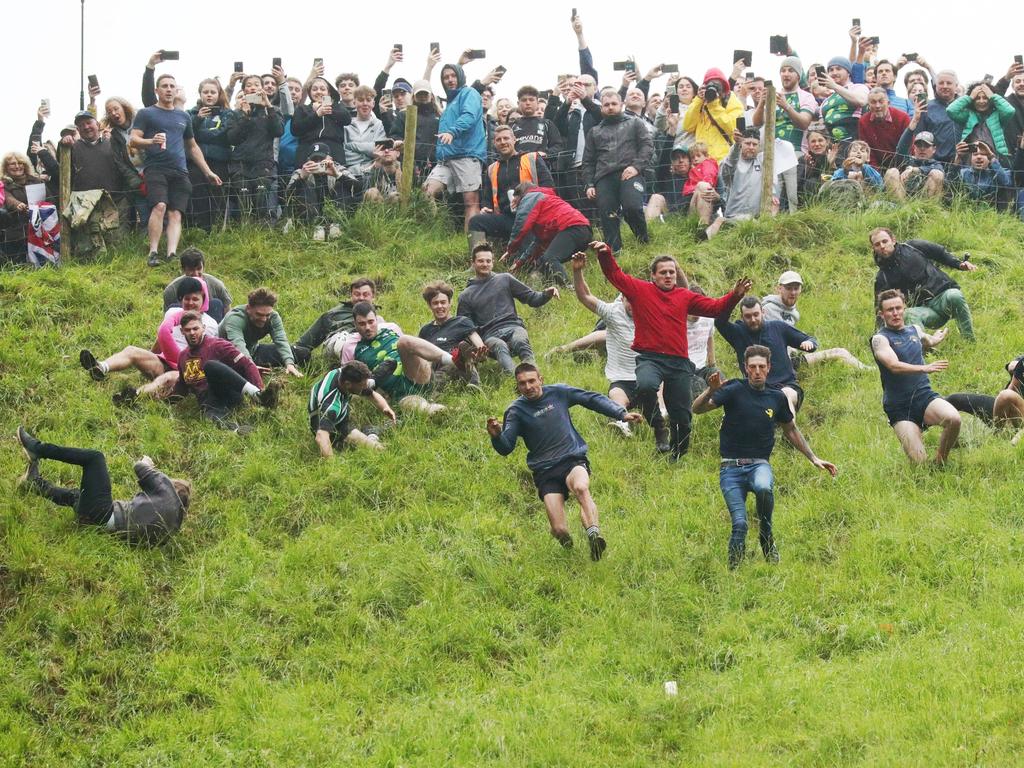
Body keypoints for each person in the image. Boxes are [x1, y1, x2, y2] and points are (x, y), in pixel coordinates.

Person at [594, 241, 750, 459]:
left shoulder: (684, 297)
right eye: (663, 272)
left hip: (679, 363)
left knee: (683, 418)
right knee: (647, 386)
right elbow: (615, 275)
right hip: (650, 359)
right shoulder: (640, 290)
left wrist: (735, 295)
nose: (668, 276)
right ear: (653, 276)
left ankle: (678, 454)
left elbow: (715, 308)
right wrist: (605, 254)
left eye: (672, 272)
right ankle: (659, 427)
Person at [692, 346, 837, 569]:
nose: (757, 371)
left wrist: (813, 457)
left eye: (761, 367)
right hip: (730, 468)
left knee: (763, 487)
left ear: (769, 368)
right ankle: (735, 573)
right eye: (752, 367)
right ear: (745, 368)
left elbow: (791, 430)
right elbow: (697, 409)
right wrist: (710, 391)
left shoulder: (776, 398)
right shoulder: (733, 389)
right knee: (739, 524)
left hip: (759, 464)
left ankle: (766, 532)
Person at [487, 363, 642, 560]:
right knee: (559, 529)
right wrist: (496, 436)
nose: (528, 386)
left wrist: (621, 413)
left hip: (571, 458)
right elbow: (506, 447)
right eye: (522, 383)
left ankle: (594, 535)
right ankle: (567, 546)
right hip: (545, 471)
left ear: (540, 379)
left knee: (581, 487)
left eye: (532, 381)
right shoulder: (516, 411)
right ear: (517, 386)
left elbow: (590, 399)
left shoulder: (559, 392)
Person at [17, 427, 191, 545]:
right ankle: (34, 483)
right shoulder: (171, 528)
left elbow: (140, 467)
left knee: (95, 458)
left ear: (173, 487)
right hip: (99, 527)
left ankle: (36, 448)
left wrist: (148, 463)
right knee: (78, 496)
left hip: (102, 514)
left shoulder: (167, 492)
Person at [568, 251, 670, 445]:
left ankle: (663, 413)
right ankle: (622, 421)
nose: (632, 305)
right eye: (628, 300)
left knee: (659, 382)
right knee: (616, 395)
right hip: (622, 378)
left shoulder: (655, 311)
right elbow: (585, 296)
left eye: (636, 300)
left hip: (648, 375)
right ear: (622, 298)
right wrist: (577, 271)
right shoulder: (613, 313)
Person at [130, 73, 223, 266]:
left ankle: (172, 254)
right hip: (156, 167)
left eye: (172, 86)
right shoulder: (146, 113)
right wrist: (151, 141)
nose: (169, 89)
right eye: (164, 86)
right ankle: (153, 252)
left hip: (180, 170)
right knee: (160, 206)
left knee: (175, 213)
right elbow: (133, 139)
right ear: (157, 90)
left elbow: (192, 146)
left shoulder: (184, 116)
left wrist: (208, 172)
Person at [870, 289, 961, 465]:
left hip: (924, 397)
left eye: (898, 308)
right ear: (882, 314)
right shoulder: (880, 339)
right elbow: (893, 366)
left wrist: (936, 339)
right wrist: (924, 368)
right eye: (890, 310)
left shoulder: (915, 330)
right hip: (900, 408)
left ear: (904, 308)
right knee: (920, 463)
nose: (895, 313)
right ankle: (926, 461)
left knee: (954, 419)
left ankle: (940, 462)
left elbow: (927, 340)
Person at [80, 276, 218, 385]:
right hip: (162, 363)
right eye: (187, 299)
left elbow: (207, 355)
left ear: (203, 300)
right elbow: (162, 339)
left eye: (195, 299)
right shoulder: (172, 313)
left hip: (183, 370)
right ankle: (100, 367)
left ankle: (135, 395)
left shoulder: (210, 324)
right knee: (131, 350)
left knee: (167, 379)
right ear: (181, 299)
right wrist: (148, 356)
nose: (191, 303)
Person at [457, 243, 559, 374]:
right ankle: (516, 379)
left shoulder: (505, 279)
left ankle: (533, 376)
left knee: (520, 340)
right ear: (473, 263)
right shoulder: (466, 295)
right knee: (500, 346)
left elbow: (531, 298)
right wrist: (477, 347)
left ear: (493, 262)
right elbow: (465, 327)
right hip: (490, 335)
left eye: (488, 261)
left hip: (513, 326)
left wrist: (546, 294)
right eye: (480, 261)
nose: (485, 264)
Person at [715, 295, 817, 420]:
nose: (753, 319)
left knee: (784, 396)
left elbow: (809, 340)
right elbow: (719, 321)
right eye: (748, 316)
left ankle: (789, 433)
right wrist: (736, 296)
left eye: (756, 314)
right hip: (755, 390)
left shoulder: (778, 327)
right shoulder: (737, 333)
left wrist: (810, 344)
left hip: (786, 386)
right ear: (742, 317)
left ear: (763, 312)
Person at [869, 228, 977, 341]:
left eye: (885, 241)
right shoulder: (882, 278)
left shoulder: (913, 247)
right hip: (924, 311)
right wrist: (880, 338)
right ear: (874, 248)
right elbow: (880, 310)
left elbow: (940, 253)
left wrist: (959, 264)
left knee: (954, 295)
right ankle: (922, 350)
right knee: (908, 314)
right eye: (877, 244)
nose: (882, 246)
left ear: (893, 240)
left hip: (943, 299)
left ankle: (969, 341)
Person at [349, 302, 455, 415]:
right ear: (355, 324)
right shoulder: (354, 349)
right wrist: (375, 380)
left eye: (371, 322)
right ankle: (438, 411)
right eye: (362, 324)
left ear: (376, 319)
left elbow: (414, 346)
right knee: (420, 408)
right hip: (400, 393)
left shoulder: (390, 330)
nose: (368, 328)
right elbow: (355, 383)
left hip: (416, 374)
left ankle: (453, 360)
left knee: (404, 341)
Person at [583, 88, 653, 253]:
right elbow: (588, 161)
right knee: (608, 214)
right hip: (603, 177)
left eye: (614, 103)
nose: (610, 107)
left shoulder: (635, 123)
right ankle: (614, 253)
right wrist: (588, 184)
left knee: (633, 207)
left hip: (630, 172)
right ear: (601, 108)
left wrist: (636, 166)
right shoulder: (594, 132)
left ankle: (643, 242)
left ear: (621, 105)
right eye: (606, 104)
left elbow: (647, 146)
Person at [761, 271, 871, 370]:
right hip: (781, 364)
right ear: (779, 288)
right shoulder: (768, 309)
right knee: (839, 353)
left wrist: (804, 343)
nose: (793, 292)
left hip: (792, 359)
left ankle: (861, 371)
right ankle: (867, 371)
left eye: (796, 288)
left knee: (838, 355)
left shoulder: (792, 312)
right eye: (789, 288)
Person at [423, 62, 486, 232]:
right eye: (445, 77)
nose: (450, 80)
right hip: (446, 159)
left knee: (470, 202)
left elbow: (470, 116)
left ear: (460, 76)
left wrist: (452, 131)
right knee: (426, 192)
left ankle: (472, 247)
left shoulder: (469, 93)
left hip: (467, 155)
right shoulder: (451, 102)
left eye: (453, 76)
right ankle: (436, 233)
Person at [471, 125, 554, 246]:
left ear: (514, 140)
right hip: (506, 218)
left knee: (527, 260)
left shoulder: (532, 158)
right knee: (475, 222)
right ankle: (479, 257)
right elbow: (486, 199)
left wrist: (527, 197)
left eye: (506, 138)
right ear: (494, 143)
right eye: (498, 140)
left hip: (532, 217)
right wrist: (485, 208)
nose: (502, 142)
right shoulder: (491, 169)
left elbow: (549, 188)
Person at [503, 182, 592, 285]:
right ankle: (550, 290)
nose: (515, 205)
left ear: (520, 195)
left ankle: (569, 288)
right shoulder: (546, 202)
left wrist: (510, 250)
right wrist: (519, 263)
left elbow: (521, 225)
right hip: (584, 230)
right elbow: (538, 243)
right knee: (543, 262)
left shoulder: (530, 197)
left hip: (572, 227)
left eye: (516, 200)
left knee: (550, 259)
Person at [291, 278, 390, 366]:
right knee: (344, 341)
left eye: (365, 294)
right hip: (340, 343)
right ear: (351, 295)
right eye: (357, 294)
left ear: (373, 296)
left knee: (382, 324)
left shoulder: (376, 317)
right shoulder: (333, 314)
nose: (361, 298)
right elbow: (304, 343)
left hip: (369, 346)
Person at [308, 360, 397, 457]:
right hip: (335, 427)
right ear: (348, 384)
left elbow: (372, 394)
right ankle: (371, 432)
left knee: (378, 449)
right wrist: (332, 468)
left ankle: (371, 433)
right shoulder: (332, 407)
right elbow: (321, 436)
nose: (364, 388)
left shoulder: (342, 373)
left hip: (339, 412)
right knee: (377, 450)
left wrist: (385, 408)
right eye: (362, 385)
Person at [227, 74, 283, 223]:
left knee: (261, 197)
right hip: (240, 163)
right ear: (244, 90)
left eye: (257, 84)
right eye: (249, 85)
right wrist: (245, 116)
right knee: (243, 200)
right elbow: (232, 138)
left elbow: (278, 131)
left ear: (262, 88)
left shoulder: (273, 110)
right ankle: (245, 234)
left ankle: (262, 234)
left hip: (263, 162)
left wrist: (268, 107)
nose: (253, 87)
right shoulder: (236, 113)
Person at [705, 129, 780, 239]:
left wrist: (773, 196)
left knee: (774, 204)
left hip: (755, 219)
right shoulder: (733, 162)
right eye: (747, 143)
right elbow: (728, 167)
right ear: (741, 144)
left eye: (754, 144)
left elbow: (773, 183)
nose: (751, 147)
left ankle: (767, 232)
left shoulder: (763, 162)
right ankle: (705, 242)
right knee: (719, 222)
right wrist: (736, 145)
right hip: (732, 216)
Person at [218, 288, 303, 376]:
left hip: (253, 351)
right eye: (259, 314)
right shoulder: (235, 318)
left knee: (302, 353)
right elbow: (238, 344)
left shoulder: (273, 317)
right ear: (248, 308)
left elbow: (281, 340)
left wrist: (289, 364)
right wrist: (251, 367)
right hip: (229, 357)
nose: (264, 319)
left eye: (267, 315)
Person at [418, 281, 487, 387]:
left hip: (459, 365)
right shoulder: (426, 330)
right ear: (429, 305)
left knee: (462, 347)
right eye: (435, 303)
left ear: (450, 303)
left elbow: (478, 344)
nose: (440, 306)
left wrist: (480, 353)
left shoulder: (462, 322)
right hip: (433, 368)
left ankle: (474, 383)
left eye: (443, 302)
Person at [681, 68, 744, 162]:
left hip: (723, 160)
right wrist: (698, 99)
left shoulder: (732, 101)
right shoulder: (700, 102)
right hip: (702, 161)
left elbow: (732, 127)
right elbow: (688, 126)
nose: (714, 88)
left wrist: (714, 105)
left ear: (724, 87)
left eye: (718, 85)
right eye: (710, 84)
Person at [948, 80, 1017, 162]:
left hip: (996, 160)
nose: (981, 101)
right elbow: (951, 110)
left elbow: (1010, 111)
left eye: (985, 98)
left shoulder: (998, 115)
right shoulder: (968, 115)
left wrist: (992, 96)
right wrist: (969, 97)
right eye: (977, 98)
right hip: (971, 161)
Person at [291, 77, 352, 166]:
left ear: (328, 92)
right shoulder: (302, 108)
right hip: (307, 150)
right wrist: (316, 114)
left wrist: (327, 110)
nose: (319, 92)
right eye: (314, 89)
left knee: (335, 178)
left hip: (333, 150)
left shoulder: (337, 107)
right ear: (310, 93)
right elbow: (295, 130)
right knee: (307, 178)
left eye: (322, 89)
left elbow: (347, 119)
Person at [162, 247, 232, 320]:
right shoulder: (171, 290)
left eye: (199, 268)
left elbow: (228, 313)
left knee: (215, 304)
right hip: (183, 325)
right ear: (183, 270)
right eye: (191, 270)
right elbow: (167, 318)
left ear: (203, 267)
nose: (196, 273)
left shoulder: (216, 285)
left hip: (211, 324)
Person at [816, 56, 869, 149]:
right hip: (832, 146)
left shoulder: (858, 87)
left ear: (848, 72)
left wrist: (835, 86)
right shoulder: (826, 100)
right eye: (831, 70)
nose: (834, 72)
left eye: (838, 69)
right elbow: (822, 126)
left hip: (854, 142)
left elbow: (861, 101)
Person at [858, 88, 910, 171]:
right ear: (868, 105)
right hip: (876, 169)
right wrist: (876, 174)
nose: (877, 106)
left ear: (888, 103)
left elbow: (909, 147)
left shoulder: (903, 118)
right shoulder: (863, 121)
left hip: (903, 167)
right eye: (873, 102)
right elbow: (867, 151)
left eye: (881, 101)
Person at [886, 131, 946, 200]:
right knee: (892, 172)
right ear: (914, 148)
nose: (922, 148)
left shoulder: (936, 164)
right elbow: (900, 150)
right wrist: (910, 129)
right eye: (919, 145)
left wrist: (914, 170)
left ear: (934, 149)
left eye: (926, 145)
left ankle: (927, 209)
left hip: (923, 205)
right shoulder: (908, 160)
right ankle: (902, 209)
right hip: (903, 200)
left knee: (937, 174)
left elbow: (939, 169)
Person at [954, 140, 1012, 206]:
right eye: (975, 154)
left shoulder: (1001, 172)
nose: (979, 157)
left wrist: (991, 157)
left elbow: (1006, 183)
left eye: (983, 154)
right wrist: (957, 158)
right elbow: (951, 186)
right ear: (970, 158)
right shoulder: (964, 173)